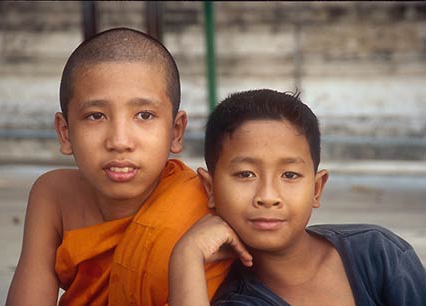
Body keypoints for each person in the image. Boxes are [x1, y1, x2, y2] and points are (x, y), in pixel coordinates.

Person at [6, 27, 231, 306]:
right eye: (96, 115)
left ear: (176, 132)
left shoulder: (204, 205)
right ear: (65, 133)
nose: (120, 141)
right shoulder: (53, 196)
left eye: (144, 115)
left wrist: (188, 254)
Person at [169, 89, 426, 306]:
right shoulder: (238, 301)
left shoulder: (379, 255)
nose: (268, 197)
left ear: (316, 189)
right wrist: (187, 255)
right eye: (246, 174)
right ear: (210, 188)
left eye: (290, 175)